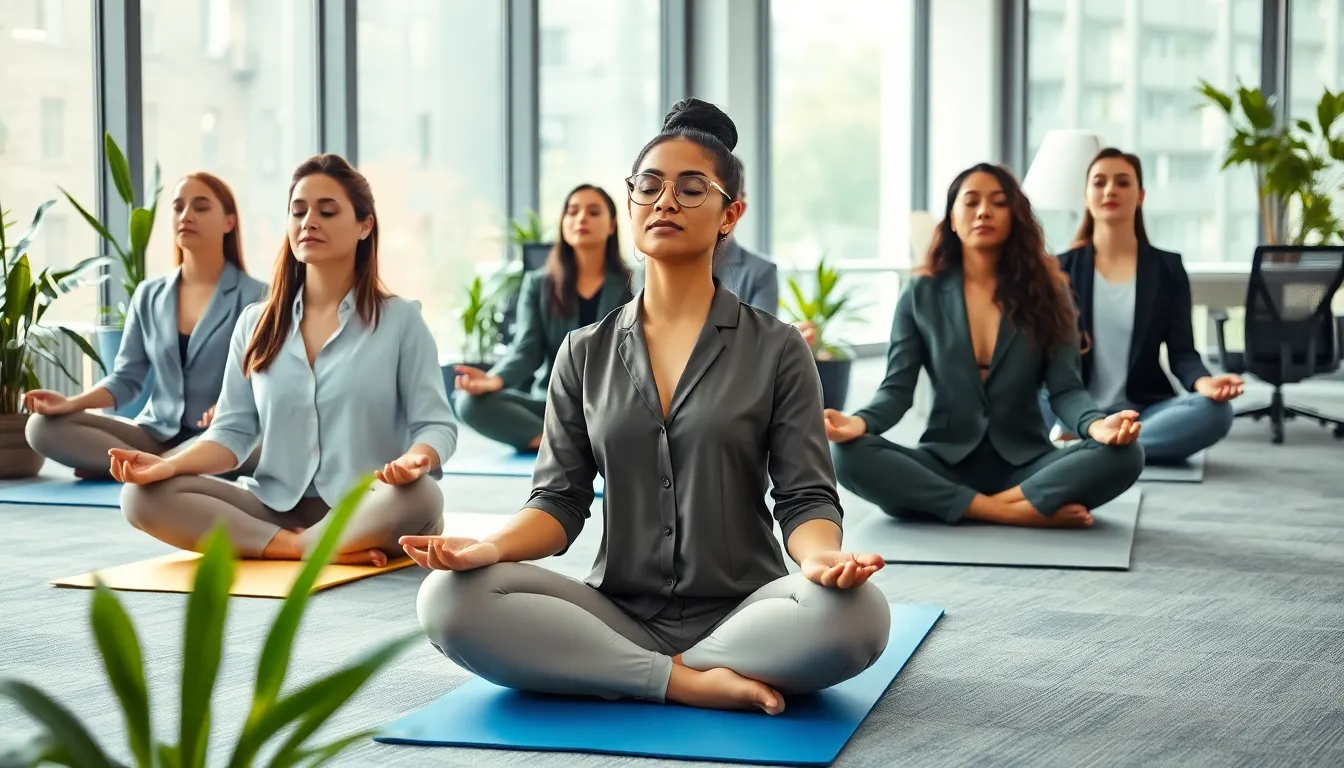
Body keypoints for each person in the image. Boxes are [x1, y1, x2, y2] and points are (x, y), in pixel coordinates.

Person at [405, 99, 891, 716]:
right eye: (650, 187)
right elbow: (557, 503)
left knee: (861, 616)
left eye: (692, 189)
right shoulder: (582, 352)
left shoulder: (778, 347)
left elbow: (806, 497)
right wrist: (489, 548)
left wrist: (823, 559)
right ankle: (685, 680)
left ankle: (625, 672)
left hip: (751, 611)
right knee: (446, 599)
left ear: (729, 215)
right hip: (616, 612)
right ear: (631, 204)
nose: (665, 202)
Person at [112, 154, 457, 566]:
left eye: (327, 211)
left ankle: (303, 543)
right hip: (275, 507)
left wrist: (414, 459)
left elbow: (436, 424)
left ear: (365, 226)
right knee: (140, 495)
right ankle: (302, 548)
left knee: (423, 495)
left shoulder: (401, 320)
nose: (309, 221)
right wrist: (165, 465)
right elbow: (232, 433)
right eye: (298, 211)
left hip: (369, 505)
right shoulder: (256, 322)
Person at [827, 163, 1145, 528]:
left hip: (1028, 465)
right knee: (846, 456)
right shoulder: (920, 294)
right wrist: (859, 422)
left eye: (998, 202)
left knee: (1126, 455)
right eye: (971, 202)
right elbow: (897, 391)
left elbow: (1066, 390)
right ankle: (1012, 511)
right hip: (943, 463)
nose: (983, 212)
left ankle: (963, 505)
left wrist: (1097, 426)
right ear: (951, 218)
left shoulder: (1050, 292)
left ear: (1015, 216)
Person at [24, 172, 267, 479]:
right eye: (178, 207)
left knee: (258, 447)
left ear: (229, 222)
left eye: (201, 207)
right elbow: (127, 379)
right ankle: (161, 465)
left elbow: (266, 381)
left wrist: (229, 409)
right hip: (154, 433)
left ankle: (147, 466)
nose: (186, 215)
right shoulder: (149, 294)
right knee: (41, 427)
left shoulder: (258, 297)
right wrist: (72, 403)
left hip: (220, 436)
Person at [1044, 148, 1241, 463]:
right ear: (1086, 195)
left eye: (1122, 182)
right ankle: (1111, 447)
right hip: (1075, 410)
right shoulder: (1059, 269)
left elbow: (1182, 352)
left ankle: (1093, 452)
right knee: (1028, 396)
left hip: (1143, 412)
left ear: (1140, 195)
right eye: (1099, 182)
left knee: (1215, 412)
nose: (1110, 190)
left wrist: (1205, 382)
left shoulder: (1167, 269)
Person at [453, 184, 633, 452]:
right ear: (563, 223)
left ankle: (566, 444)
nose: (581, 218)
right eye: (572, 212)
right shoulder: (538, 284)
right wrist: (495, 379)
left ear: (611, 225)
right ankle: (560, 445)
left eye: (593, 212)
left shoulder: (631, 285)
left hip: (609, 405)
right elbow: (527, 350)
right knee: (468, 402)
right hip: (551, 404)